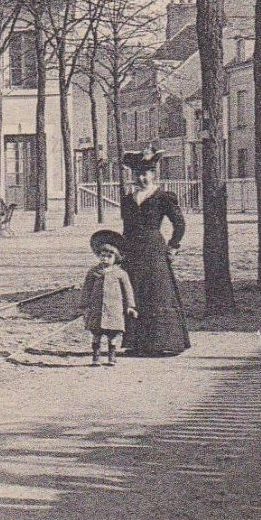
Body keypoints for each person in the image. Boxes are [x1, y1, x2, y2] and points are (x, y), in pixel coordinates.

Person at [119, 150, 191, 356]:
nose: (141, 178)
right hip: (132, 251)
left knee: (157, 293)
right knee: (133, 293)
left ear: (153, 174)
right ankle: (136, 343)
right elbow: (126, 228)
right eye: (137, 174)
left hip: (154, 250)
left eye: (146, 173)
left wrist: (173, 246)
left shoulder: (163, 197)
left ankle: (161, 343)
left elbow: (179, 225)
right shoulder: (127, 200)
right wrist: (121, 251)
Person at [83, 230, 137, 366]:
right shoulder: (93, 272)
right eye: (102, 256)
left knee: (113, 335)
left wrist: (130, 306)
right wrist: (84, 306)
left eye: (109, 256)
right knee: (96, 334)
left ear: (115, 258)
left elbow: (128, 291)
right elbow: (86, 290)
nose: (105, 259)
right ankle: (96, 357)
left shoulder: (121, 274)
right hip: (96, 310)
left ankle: (111, 356)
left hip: (114, 310)